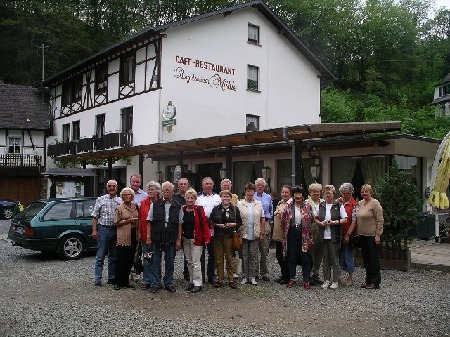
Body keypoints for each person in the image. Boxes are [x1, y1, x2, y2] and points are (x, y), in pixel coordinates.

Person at [146, 181, 183, 293]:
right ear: (162, 191)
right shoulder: (155, 204)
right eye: (165, 190)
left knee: (170, 262)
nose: (167, 191)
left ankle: (169, 283)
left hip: (171, 236)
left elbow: (180, 223)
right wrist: (148, 237)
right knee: (155, 262)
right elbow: (149, 221)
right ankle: (155, 283)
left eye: (169, 190)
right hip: (157, 236)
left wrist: (178, 239)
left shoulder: (177, 205)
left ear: (172, 191)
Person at [346, 184, 384, 289]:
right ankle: (368, 280)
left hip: (372, 235)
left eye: (366, 191)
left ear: (370, 192)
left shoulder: (375, 203)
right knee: (366, 259)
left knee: (373, 259)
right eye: (363, 191)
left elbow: (380, 220)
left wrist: (378, 235)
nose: (364, 193)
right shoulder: (360, 203)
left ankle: (375, 282)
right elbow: (356, 218)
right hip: (362, 235)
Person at [314, 185, 347, 289]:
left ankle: (336, 280)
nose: (327, 195)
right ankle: (326, 279)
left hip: (334, 236)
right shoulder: (321, 205)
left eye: (329, 193)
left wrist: (334, 222)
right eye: (326, 193)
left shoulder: (339, 205)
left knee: (334, 259)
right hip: (323, 236)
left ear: (333, 194)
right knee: (325, 259)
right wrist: (320, 223)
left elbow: (345, 219)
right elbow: (315, 217)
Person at [281, 186, 313, 289]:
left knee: (305, 257)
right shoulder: (289, 206)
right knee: (292, 256)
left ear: (302, 195)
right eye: (295, 194)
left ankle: (306, 280)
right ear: (293, 195)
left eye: (299, 194)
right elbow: (283, 221)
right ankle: (292, 278)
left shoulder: (307, 205)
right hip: (291, 233)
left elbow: (311, 220)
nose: (297, 196)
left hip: (304, 234)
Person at [91, 180, 122, 286]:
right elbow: (95, 216)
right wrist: (94, 230)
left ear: (117, 187)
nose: (112, 188)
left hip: (116, 230)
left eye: (114, 186)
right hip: (103, 229)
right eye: (110, 186)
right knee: (100, 255)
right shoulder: (101, 199)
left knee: (113, 256)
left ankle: (111, 278)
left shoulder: (120, 200)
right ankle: (97, 279)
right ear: (107, 187)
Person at [209, 190, 242, 289]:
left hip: (229, 236)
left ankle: (231, 279)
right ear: (221, 198)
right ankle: (220, 279)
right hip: (218, 236)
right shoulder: (216, 209)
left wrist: (232, 224)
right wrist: (218, 225)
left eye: (227, 196)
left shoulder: (235, 209)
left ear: (230, 198)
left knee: (229, 258)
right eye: (224, 196)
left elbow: (240, 222)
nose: (226, 198)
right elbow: (210, 221)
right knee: (218, 258)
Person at [182, 188, 211, 293]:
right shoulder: (183, 209)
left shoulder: (199, 209)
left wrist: (207, 237)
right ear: (185, 199)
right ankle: (191, 281)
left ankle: (198, 283)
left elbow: (204, 224)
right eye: (188, 198)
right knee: (189, 261)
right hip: (186, 239)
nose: (190, 200)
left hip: (196, 239)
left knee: (196, 262)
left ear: (195, 199)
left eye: (192, 198)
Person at [237, 182, 265, 285]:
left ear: (254, 192)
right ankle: (245, 276)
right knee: (244, 255)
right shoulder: (240, 204)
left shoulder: (258, 204)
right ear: (245, 192)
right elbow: (237, 218)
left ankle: (252, 276)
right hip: (243, 234)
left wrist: (262, 232)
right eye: (248, 191)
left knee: (254, 255)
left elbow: (262, 218)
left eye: (252, 191)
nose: (250, 192)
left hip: (255, 233)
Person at [196, 177, 221, 284]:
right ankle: (200, 276)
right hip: (201, 229)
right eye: (206, 184)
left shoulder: (218, 197)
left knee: (213, 254)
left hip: (213, 228)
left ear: (213, 185)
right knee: (200, 254)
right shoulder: (198, 198)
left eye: (210, 184)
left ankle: (211, 275)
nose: (208, 185)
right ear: (202, 186)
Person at [113, 188, 139, 290]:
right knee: (121, 259)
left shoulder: (135, 206)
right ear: (122, 196)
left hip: (133, 234)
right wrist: (128, 220)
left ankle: (125, 281)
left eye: (129, 195)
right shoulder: (119, 208)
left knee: (130, 259)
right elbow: (115, 222)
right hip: (123, 235)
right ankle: (117, 281)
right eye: (125, 195)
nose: (128, 196)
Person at [138, 181, 160, 290]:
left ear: (157, 191)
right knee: (146, 258)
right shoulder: (142, 203)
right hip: (144, 234)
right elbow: (140, 219)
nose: (151, 191)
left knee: (156, 258)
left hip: (158, 235)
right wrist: (140, 233)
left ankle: (156, 280)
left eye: (153, 189)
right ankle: (146, 280)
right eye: (149, 189)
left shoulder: (161, 202)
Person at [337, 183, 358, 286]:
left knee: (348, 255)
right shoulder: (338, 202)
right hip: (337, 234)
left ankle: (350, 277)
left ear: (350, 193)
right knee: (337, 256)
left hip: (347, 233)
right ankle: (338, 277)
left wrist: (348, 235)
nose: (342, 195)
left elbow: (354, 221)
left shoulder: (354, 204)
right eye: (342, 193)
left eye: (345, 193)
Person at [254, 177, 272, 281]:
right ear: (255, 186)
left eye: (262, 185)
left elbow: (270, 210)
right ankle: (255, 272)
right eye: (258, 185)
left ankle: (264, 272)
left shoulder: (268, 197)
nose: (260, 186)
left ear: (264, 187)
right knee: (254, 249)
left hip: (265, 223)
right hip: (255, 223)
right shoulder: (252, 196)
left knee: (264, 250)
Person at [272, 185, 291, 285]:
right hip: (278, 234)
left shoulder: (291, 204)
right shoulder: (280, 203)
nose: (284, 194)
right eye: (283, 192)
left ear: (290, 193)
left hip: (286, 235)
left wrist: (281, 213)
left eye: (286, 192)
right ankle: (283, 275)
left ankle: (287, 277)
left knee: (285, 257)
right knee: (279, 255)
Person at [306, 183, 324, 285]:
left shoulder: (324, 202)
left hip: (321, 230)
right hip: (310, 231)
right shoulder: (306, 203)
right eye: (314, 191)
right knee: (310, 252)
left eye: (318, 191)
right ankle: (308, 273)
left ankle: (316, 273)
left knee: (319, 253)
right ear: (310, 192)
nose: (316, 193)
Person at [173, 177, 190, 281]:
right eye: (181, 184)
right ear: (178, 186)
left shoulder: (191, 196)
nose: (183, 186)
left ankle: (187, 273)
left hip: (188, 227)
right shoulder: (174, 197)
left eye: (185, 184)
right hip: (176, 228)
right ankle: (171, 274)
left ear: (187, 186)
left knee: (187, 253)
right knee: (173, 252)